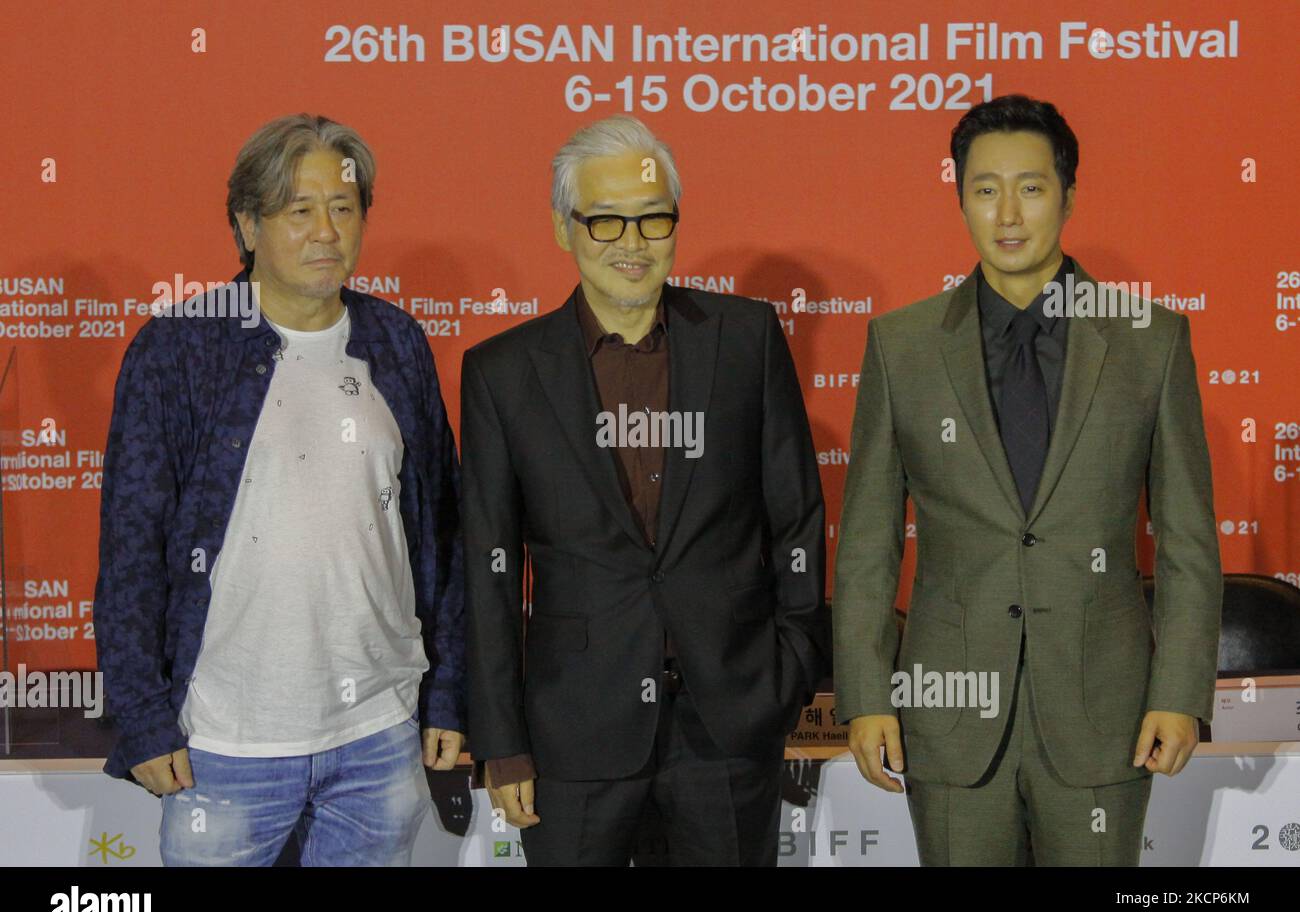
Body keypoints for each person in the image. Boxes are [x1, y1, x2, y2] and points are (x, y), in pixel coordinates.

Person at [833, 94, 1221, 866]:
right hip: (945, 718)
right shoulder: (900, 348)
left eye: (1032, 187)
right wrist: (867, 694)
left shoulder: (1152, 342)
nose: (1008, 213)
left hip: (1104, 712)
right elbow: (869, 543)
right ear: (960, 198)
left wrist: (1179, 692)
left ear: (1069, 197)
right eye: (984, 189)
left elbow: (1187, 541)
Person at [94, 113, 466, 866]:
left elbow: (443, 539)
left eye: (344, 207)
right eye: (300, 211)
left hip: (379, 735)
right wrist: (140, 714)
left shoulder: (396, 342)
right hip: (225, 743)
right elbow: (132, 545)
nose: (326, 230)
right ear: (248, 224)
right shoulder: (179, 349)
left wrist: (449, 694)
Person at [463, 115, 826, 866]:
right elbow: (490, 567)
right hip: (574, 731)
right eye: (605, 222)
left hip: (727, 720)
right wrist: (501, 741)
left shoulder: (747, 338)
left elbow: (796, 518)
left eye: (653, 219)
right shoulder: (502, 372)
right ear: (565, 229)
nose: (632, 242)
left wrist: (789, 672)